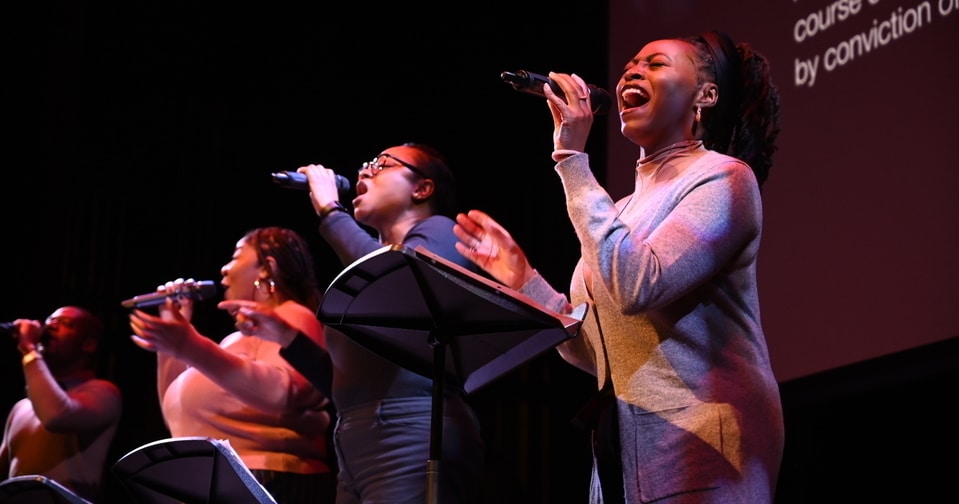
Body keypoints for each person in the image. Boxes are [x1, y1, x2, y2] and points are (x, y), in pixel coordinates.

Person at [453, 30, 784, 503]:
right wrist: (523, 280)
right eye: (630, 63)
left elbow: (637, 286)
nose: (632, 70)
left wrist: (571, 159)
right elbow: (595, 353)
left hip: (705, 443)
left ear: (705, 96)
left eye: (656, 64)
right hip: (625, 447)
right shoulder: (621, 208)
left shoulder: (724, 179)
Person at [220, 143, 486, 504]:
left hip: (410, 426)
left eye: (381, 165)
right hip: (354, 436)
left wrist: (331, 211)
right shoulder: (366, 262)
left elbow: (399, 284)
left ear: (422, 188)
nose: (364, 172)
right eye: (366, 164)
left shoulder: (441, 230)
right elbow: (343, 380)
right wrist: (286, 336)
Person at [127, 226, 336, 503]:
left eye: (235, 257)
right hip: (216, 481)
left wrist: (191, 346)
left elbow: (284, 393)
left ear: (266, 267)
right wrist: (173, 343)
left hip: (267, 480)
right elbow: (176, 416)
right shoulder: (233, 342)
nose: (224, 270)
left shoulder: (291, 315)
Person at [0, 306, 122, 502]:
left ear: (88, 345)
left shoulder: (104, 392)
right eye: (50, 321)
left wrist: (29, 350)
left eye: (66, 324)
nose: (52, 326)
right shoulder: (21, 407)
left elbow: (56, 415)